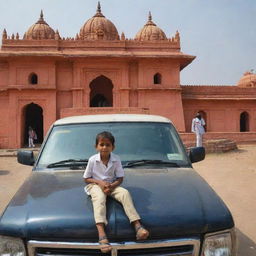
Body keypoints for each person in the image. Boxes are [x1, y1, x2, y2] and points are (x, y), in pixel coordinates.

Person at [83, 131, 149, 253]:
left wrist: (111, 186)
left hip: (112, 185)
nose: (104, 147)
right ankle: (102, 234)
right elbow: (86, 178)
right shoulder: (92, 160)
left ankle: (137, 226)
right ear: (96, 146)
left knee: (125, 193)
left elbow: (120, 178)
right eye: (101, 144)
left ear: (113, 147)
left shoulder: (116, 159)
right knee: (99, 198)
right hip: (96, 185)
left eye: (108, 145)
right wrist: (101, 183)